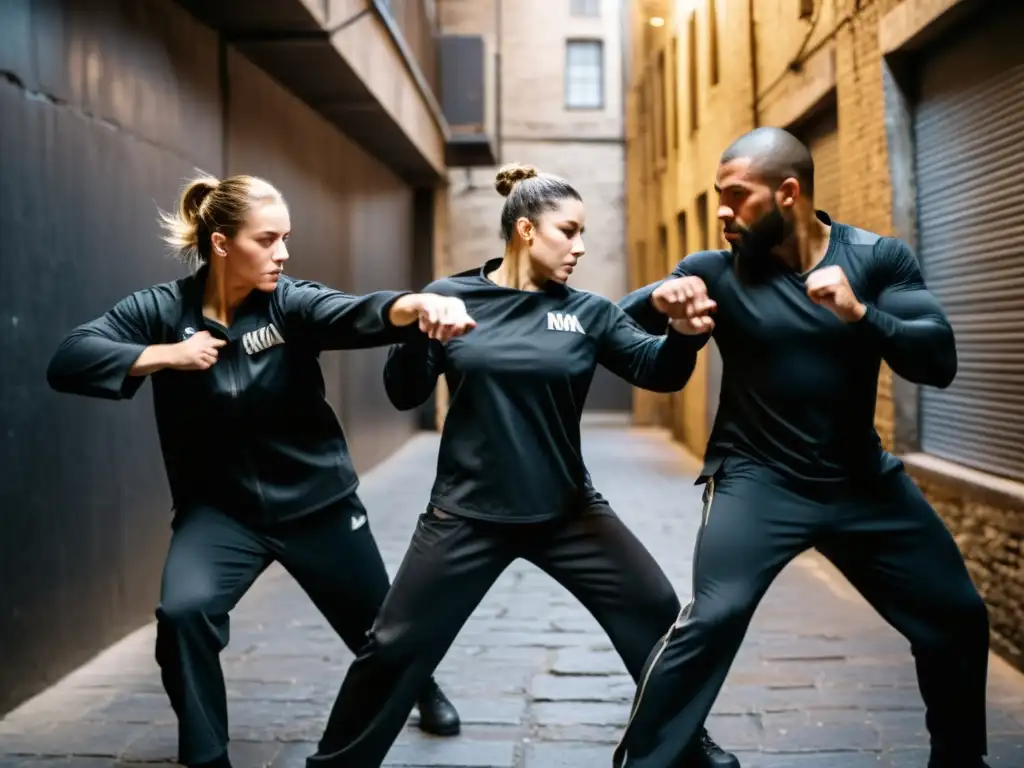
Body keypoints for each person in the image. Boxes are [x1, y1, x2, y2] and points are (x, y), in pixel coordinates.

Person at [302, 163, 741, 768]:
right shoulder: (452, 296)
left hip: (567, 510)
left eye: (585, 232)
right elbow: (403, 394)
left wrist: (686, 337)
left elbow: (655, 371)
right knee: (393, 648)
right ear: (527, 230)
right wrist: (417, 329)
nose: (581, 247)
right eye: (570, 231)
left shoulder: (588, 312)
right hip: (467, 512)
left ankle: (684, 743)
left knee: (659, 617)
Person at [45, 174, 477, 768]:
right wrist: (166, 356)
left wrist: (417, 305)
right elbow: (69, 358)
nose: (283, 253)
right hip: (219, 514)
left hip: (317, 506)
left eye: (287, 239)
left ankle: (424, 689)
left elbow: (357, 313)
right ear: (222, 243)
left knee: (381, 633)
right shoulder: (160, 311)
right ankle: (206, 756)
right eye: (268, 239)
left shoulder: (290, 303)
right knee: (183, 614)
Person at [610, 127, 991, 768]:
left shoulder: (875, 260)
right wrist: (658, 298)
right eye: (717, 197)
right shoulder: (713, 270)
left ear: (788, 193)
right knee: (713, 616)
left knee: (957, 616)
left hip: (860, 481)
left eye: (737, 197)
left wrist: (862, 315)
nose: (722, 212)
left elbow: (939, 358)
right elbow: (616, 331)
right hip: (756, 480)